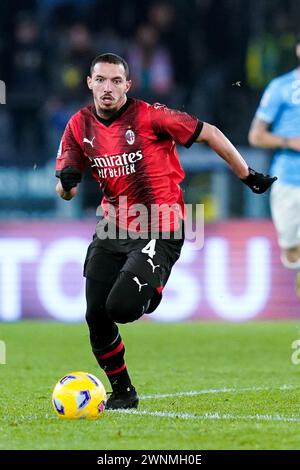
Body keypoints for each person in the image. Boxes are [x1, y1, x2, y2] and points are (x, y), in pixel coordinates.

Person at [55, 53, 276, 410]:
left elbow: (211, 133)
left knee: (122, 308)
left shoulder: (150, 116)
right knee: (96, 314)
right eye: (101, 80)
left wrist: (246, 174)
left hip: (161, 224)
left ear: (127, 85)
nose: (108, 88)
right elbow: (66, 191)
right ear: (90, 83)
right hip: (112, 226)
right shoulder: (78, 126)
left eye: (116, 81)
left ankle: (150, 290)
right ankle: (123, 393)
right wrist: (66, 185)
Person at [248, 35, 300, 294]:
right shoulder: (281, 87)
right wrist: (291, 142)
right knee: (292, 251)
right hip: (289, 180)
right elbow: (256, 135)